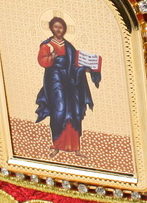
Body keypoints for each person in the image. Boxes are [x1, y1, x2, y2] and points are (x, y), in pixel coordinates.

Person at [34, 17, 101, 154]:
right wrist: (51, 57)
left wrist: (89, 68)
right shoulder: (47, 45)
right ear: (51, 28)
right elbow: (42, 61)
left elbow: (76, 63)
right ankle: (57, 145)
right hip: (55, 80)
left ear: (64, 29)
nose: (58, 30)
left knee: (74, 109)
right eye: (56, 27)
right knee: (59, 109)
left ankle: (75, 148)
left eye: (61, 27)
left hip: (70, 81)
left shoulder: (69, 46)